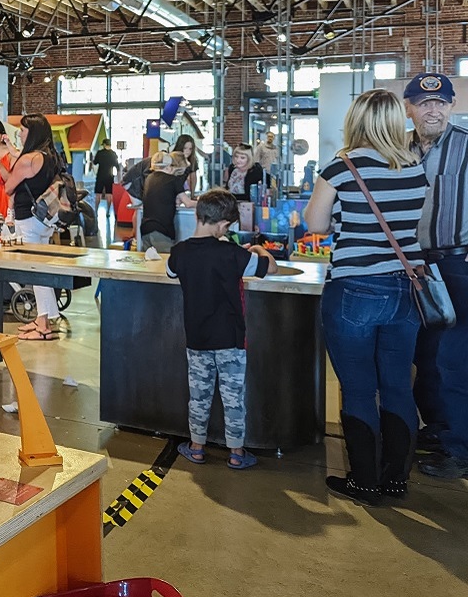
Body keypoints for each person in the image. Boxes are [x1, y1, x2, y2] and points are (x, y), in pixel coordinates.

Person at [304, 89, 428, 506]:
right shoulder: (417, 168)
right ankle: (396, 479)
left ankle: (365, 481)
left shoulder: (341, 168)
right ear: (398, 120)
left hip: (354, 289)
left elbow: (316, 224)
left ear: (355, 121)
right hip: (407, 289)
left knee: (358, 388)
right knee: (397, 385)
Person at [168, 188, 276, 470]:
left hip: (197, 339)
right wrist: (260, 248)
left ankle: (197, 447)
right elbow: (270, 268)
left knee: (199, 396)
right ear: (224, 226)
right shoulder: (232, 254)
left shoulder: (180, 252)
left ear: (197, 214)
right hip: (230, 339)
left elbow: (169, 270)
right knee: (233, 398)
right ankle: (237, 452)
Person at [401, 73, 468, 480]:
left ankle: (460, 447)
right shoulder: (397, 150)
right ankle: (441, 431)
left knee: (453, 359)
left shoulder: (466, 146)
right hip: (411, 267)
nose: (433, 109)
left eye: (441, 102)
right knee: (422, 357)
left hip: (457, 266)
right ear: (408, 108)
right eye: (424, 103)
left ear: (451, 106)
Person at [4, 114, 61, 341]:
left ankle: (43, 327)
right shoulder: (50, 156)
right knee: (42, 270)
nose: (19, 133)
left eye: (23, 130)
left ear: (33, 133)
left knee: (36, 273)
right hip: (45, 220)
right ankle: (43, 318)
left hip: (28, 220)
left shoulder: (28, 159)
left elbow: (9, 187)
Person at [140, 151, 196, 254]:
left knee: (149, 265)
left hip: (145, 229)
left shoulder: (149, 179)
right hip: (162, 231)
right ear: (169, 167)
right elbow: (188, 203)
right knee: (164, 264)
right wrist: (204, 201)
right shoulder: (173, 180)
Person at [90, 138, 120, 208]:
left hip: (100, 176)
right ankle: (108, 212)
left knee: (98, 194)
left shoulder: (100, 153)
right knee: (109, 194)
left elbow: (94, 163)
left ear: (104, 145)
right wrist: (119, 179)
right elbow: (117, 168)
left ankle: (96, 211)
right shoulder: (113, 154)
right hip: (110, 176)